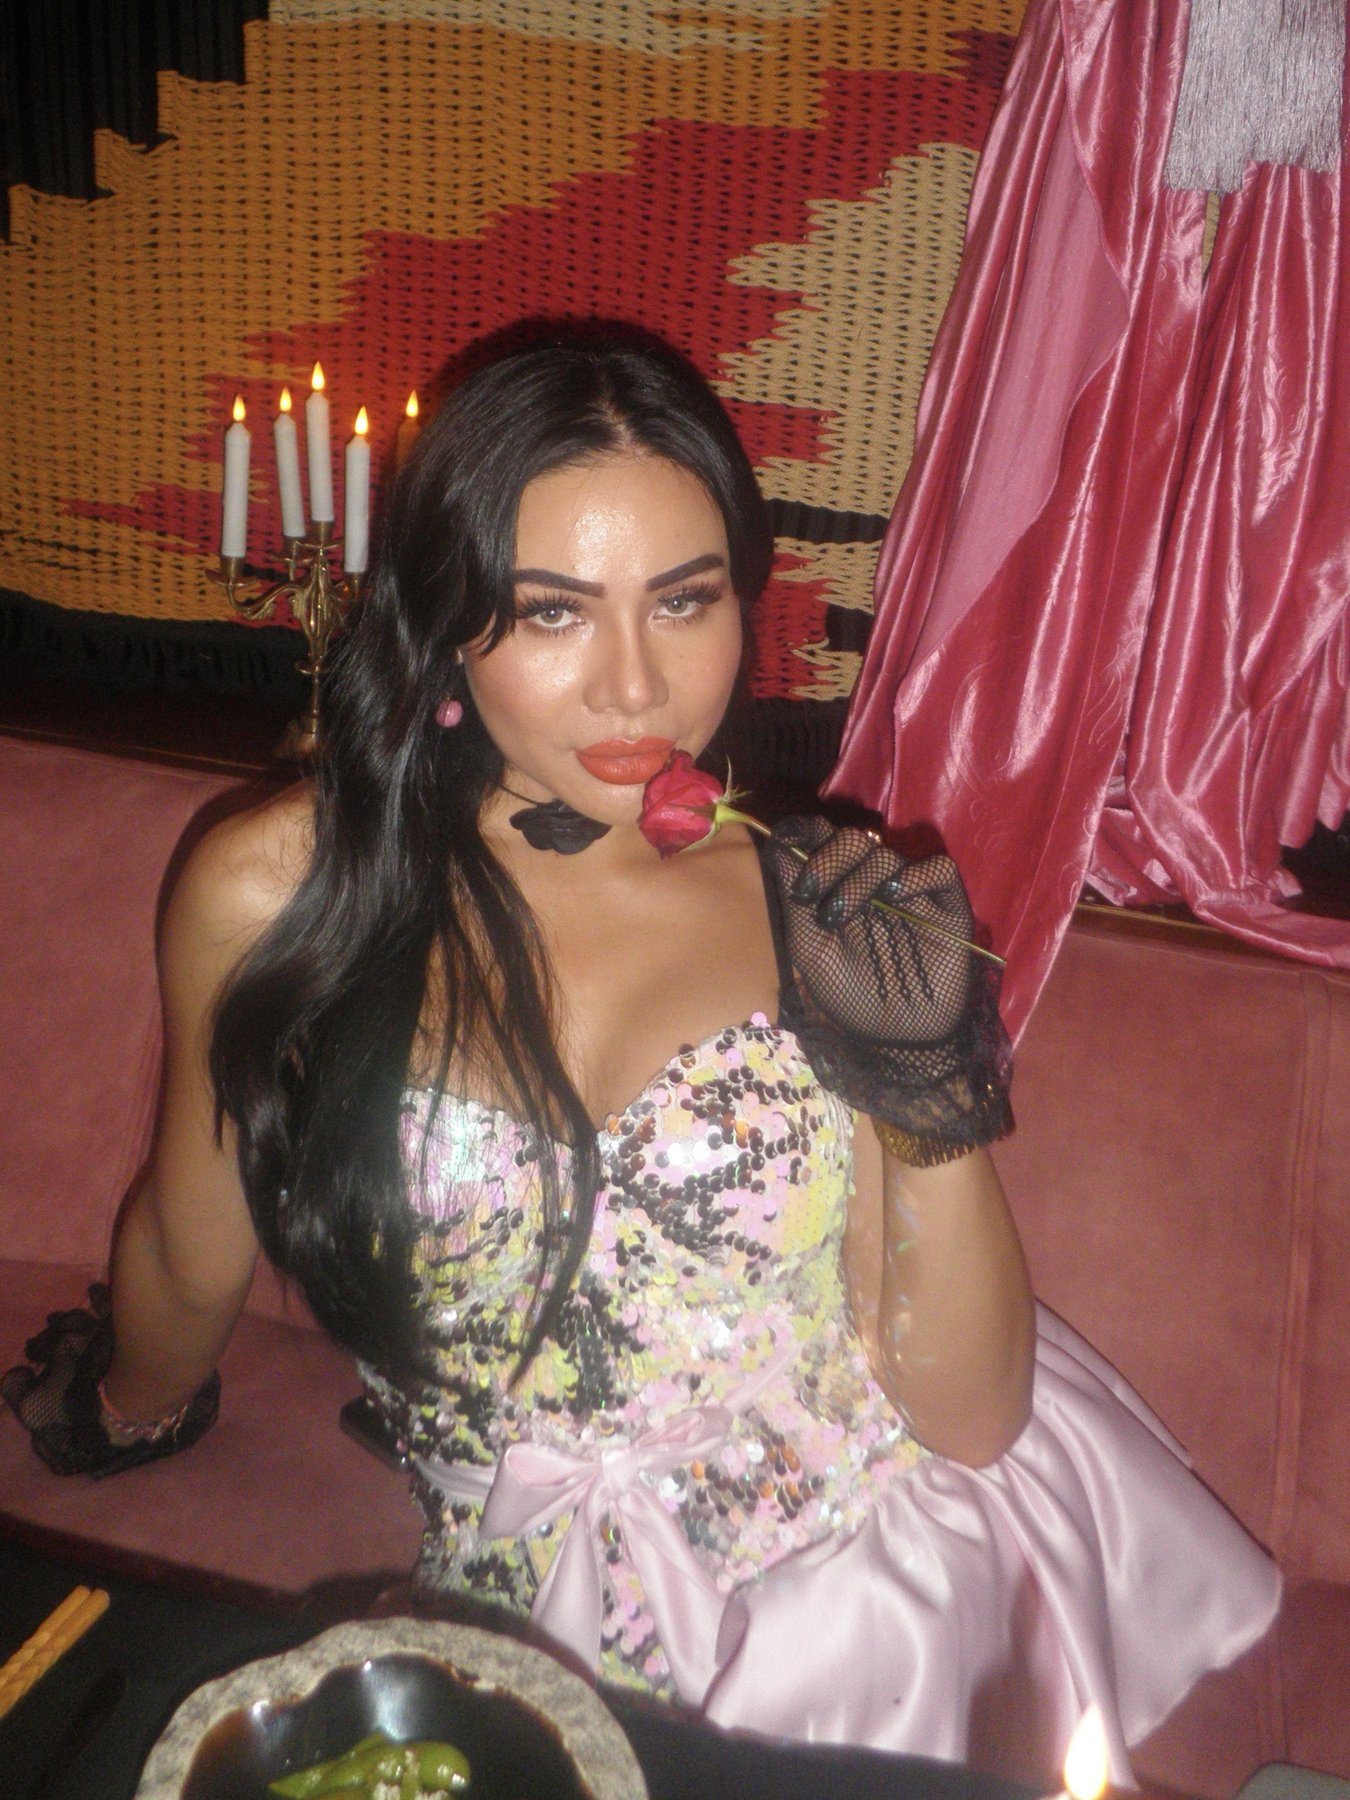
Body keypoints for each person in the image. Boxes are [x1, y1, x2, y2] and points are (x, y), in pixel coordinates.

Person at [5, 337, 1279, 1782]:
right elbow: (189, 1241)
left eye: (685, 601)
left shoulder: (817, 906)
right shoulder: (277, 889)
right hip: (518, 1607)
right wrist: (128, 1409)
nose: (634, 687)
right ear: (446, 621)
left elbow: (972, 1416)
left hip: (872, 1595)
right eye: (551, 612)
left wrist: (927, 1087)